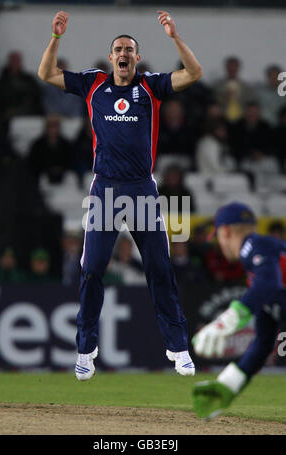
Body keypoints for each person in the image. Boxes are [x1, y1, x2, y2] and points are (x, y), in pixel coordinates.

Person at [38, 10, 202, 381]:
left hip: (142, 189)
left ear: (136, 58)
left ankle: (178, 348)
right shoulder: (93, 83)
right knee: (92, 269)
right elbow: (46, 74)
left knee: (160, 268)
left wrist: (175, 37)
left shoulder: (151, 86)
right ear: (111, 58)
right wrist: (56, 37)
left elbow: (194, 74)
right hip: (106, 189)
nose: (123, 53)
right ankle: (86, 349)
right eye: (118, 49)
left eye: (129, 49)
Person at [191, 202, 286, 419]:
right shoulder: (262, 268)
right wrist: (228, 385)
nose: (220, 245)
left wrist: (229, 319)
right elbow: (263, 343)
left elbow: (269, 283)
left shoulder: (256, 245)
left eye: (218, 238)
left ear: (225, 232)